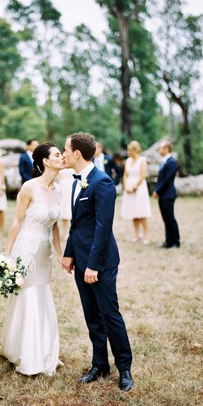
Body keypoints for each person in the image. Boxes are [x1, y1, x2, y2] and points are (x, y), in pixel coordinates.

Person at [61, 132, 133, 392]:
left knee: (109, 314)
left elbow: (103, 228)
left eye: (66, 149)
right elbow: (76, 225)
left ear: (77, 153)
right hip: (80, 260)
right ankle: (99, 364)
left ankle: (124, 368)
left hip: (99, 262)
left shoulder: (102, 183)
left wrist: (93, 265)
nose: (63, 154)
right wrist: (69, 253)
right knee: (91, 316)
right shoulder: (75, 182)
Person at [1, 142, 64, 376]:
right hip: (26, 250)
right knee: (28, 296)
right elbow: (17, 222)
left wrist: (59, 253)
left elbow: (55, 225)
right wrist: (8, 255)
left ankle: (46, 349)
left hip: (45, 252)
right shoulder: (28, 188)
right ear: (46, 161)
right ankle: (27, 353)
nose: (62, 157)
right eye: (58, 154)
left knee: (42, 294)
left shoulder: (59, 190)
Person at [120, 140, 152, 244]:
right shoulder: (128, 161)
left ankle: (146, 235)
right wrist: (126, 186)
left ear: (136, 150)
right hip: (129, 186)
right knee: (133, 211)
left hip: (139, 187)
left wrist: (134, 187)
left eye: (130, 150)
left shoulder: (142, 160)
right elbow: (125, 175)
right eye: (128, 150)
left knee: (141, 211)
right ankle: (137, 234)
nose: (128, 152)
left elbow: (143, 175)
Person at [152, 140, 180, 249]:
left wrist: (157, 190)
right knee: (165, 219)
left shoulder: (171, 162)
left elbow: (167, 180)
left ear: (167, 149)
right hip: (163, 195)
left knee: (170, 218)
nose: (159, 150)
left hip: (168, 194)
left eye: (161, 148)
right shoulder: (164, 161)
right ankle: (168, 241)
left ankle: (175, 242)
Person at [57, 166, 77, 252]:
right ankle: (65, 232)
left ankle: (71, 232)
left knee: (71, 210)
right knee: (64, 210)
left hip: (71, 186)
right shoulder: (60, 163)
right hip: (62, 187)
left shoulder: (73, 163)